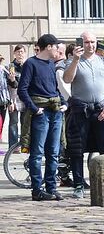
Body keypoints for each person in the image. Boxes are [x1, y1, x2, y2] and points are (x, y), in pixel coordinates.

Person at [60, 32, 104, 199]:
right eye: (86, 42)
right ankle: (79, 184)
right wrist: (75, 60)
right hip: (80, 111)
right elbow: (67, 79)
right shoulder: (72, 61)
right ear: (81, 43)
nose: (90, 45)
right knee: (76, 150)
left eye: (93, 42)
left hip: (101, 111)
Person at [17, 34, 65, 201]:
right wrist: (35, 108)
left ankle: (51, 187)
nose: (58, 50)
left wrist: (63, 102)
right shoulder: (31, 63)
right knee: (37, 153)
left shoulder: (51, 64)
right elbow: (22, 89)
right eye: (56, 46)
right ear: (49, 46)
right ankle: (37, 189)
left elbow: (55, 88)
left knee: (53, 152)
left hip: (55, 111)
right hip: (41, 113)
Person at [6, 44, 27, 149]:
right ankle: (14, 147)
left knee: (25, 122)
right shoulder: (11, 66)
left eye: (22, 52)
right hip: (14, 98)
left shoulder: (27, 65)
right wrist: (13, 80)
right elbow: (12, 85)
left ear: (25, 53)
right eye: (18, 52)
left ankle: (24, 145)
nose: (20, 54)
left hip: (25, 97)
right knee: (13, 122)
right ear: (14, 53)